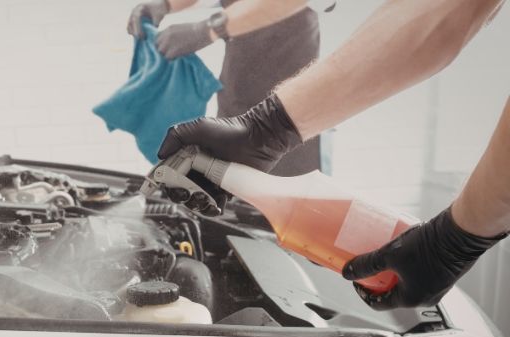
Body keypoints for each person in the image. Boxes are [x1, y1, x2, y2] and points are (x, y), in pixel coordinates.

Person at [156, 0, 508, 310]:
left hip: (285, 56)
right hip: (279, 85)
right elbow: (444, 10)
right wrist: (269, 127)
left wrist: (460, 237)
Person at [127, 0, 327, 176]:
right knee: (230, 175)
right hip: (240, 76)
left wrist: (208, 29)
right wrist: (166, 4)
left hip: (291, 78)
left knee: (291, 189)